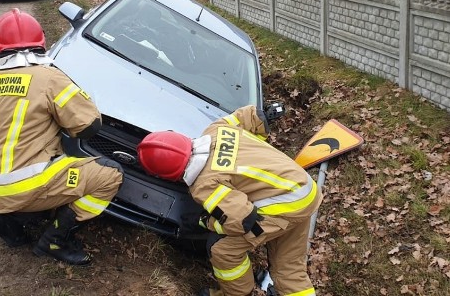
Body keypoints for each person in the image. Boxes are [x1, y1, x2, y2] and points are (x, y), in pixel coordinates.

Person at [0, 8, 123, 265]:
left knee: (38, 176)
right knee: (110, 174)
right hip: (29, 186)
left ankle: (5, 220)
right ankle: (56, 240)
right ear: (42, 40)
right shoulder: (49, 78)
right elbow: (88, 125)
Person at [137, 105, 321, 296]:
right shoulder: (216, 129)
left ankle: (237, 293)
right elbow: (252, 116)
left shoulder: (204, 184)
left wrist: (205, 221)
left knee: (223, 250)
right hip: (303, 188)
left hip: (285, 203)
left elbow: (241, 221)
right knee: (288, 266)